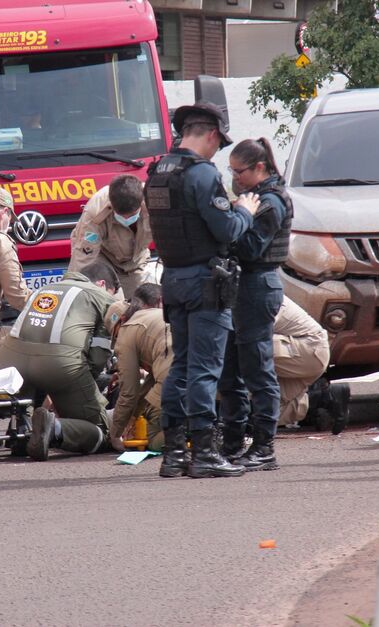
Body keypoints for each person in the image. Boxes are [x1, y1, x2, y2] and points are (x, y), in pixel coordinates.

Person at [145, 98, 259, 479]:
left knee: (181, 364)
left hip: (173, 279)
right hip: (205, 281)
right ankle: (206, 453)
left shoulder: (159, 170)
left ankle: (175, 454)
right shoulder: (203, 175)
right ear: (211, 135)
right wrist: (244, 211)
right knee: (205, 368)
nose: (218, 150)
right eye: (219, 143)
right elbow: (225, 229)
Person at [216, 138, 291, 470]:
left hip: (258, 285)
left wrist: (237, 215)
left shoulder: (270, 203)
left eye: (239, 171)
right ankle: (232, 442)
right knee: (230, 370)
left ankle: (264, 447)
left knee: (258, 370)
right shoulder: (254, 198)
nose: (235, 177)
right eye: (230, 171)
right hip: (240, 287)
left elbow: (248, 249)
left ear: (259, 168)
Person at [0, 261, 118, 461]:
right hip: (59, 366)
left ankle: (22, 432)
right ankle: (55, 428)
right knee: (101, 431)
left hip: (11, 361)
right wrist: (89, 382)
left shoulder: (44, 289)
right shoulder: (100, 296)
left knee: (28, 397)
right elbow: (98, 357)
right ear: (103, 284)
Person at [268, 297, 350, 434]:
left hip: (308, 351)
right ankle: (323, 398)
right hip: (292, 356)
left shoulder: (254, 291)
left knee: (246, 348)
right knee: (257, 415)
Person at [103, 283, 169, 453]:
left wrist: (115, 435)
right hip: (204, 370)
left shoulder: (127, 330)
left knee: (155, 439)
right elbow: (150, 383)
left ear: (122, 322)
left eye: (115, 335)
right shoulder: (160, 315)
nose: (117, 340)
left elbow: (129, 391)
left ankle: (196, 434)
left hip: (175, 378)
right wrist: (133, 416)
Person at [69, 174, 152, 299]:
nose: (126, 219)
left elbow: (172, 238)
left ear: (141, 203)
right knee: (99, 299)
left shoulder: (156, 203)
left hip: (136, 260)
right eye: (121, 215)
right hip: (103, 257)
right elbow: (83, 257)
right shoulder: (95, 212)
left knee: (141, 304)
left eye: (131, 215)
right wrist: (74, 292)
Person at [0, 186, 31, 367]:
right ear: (4, 212)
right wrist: (51, 306)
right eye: (10, 216)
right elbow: (17, 297)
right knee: (41, 352)